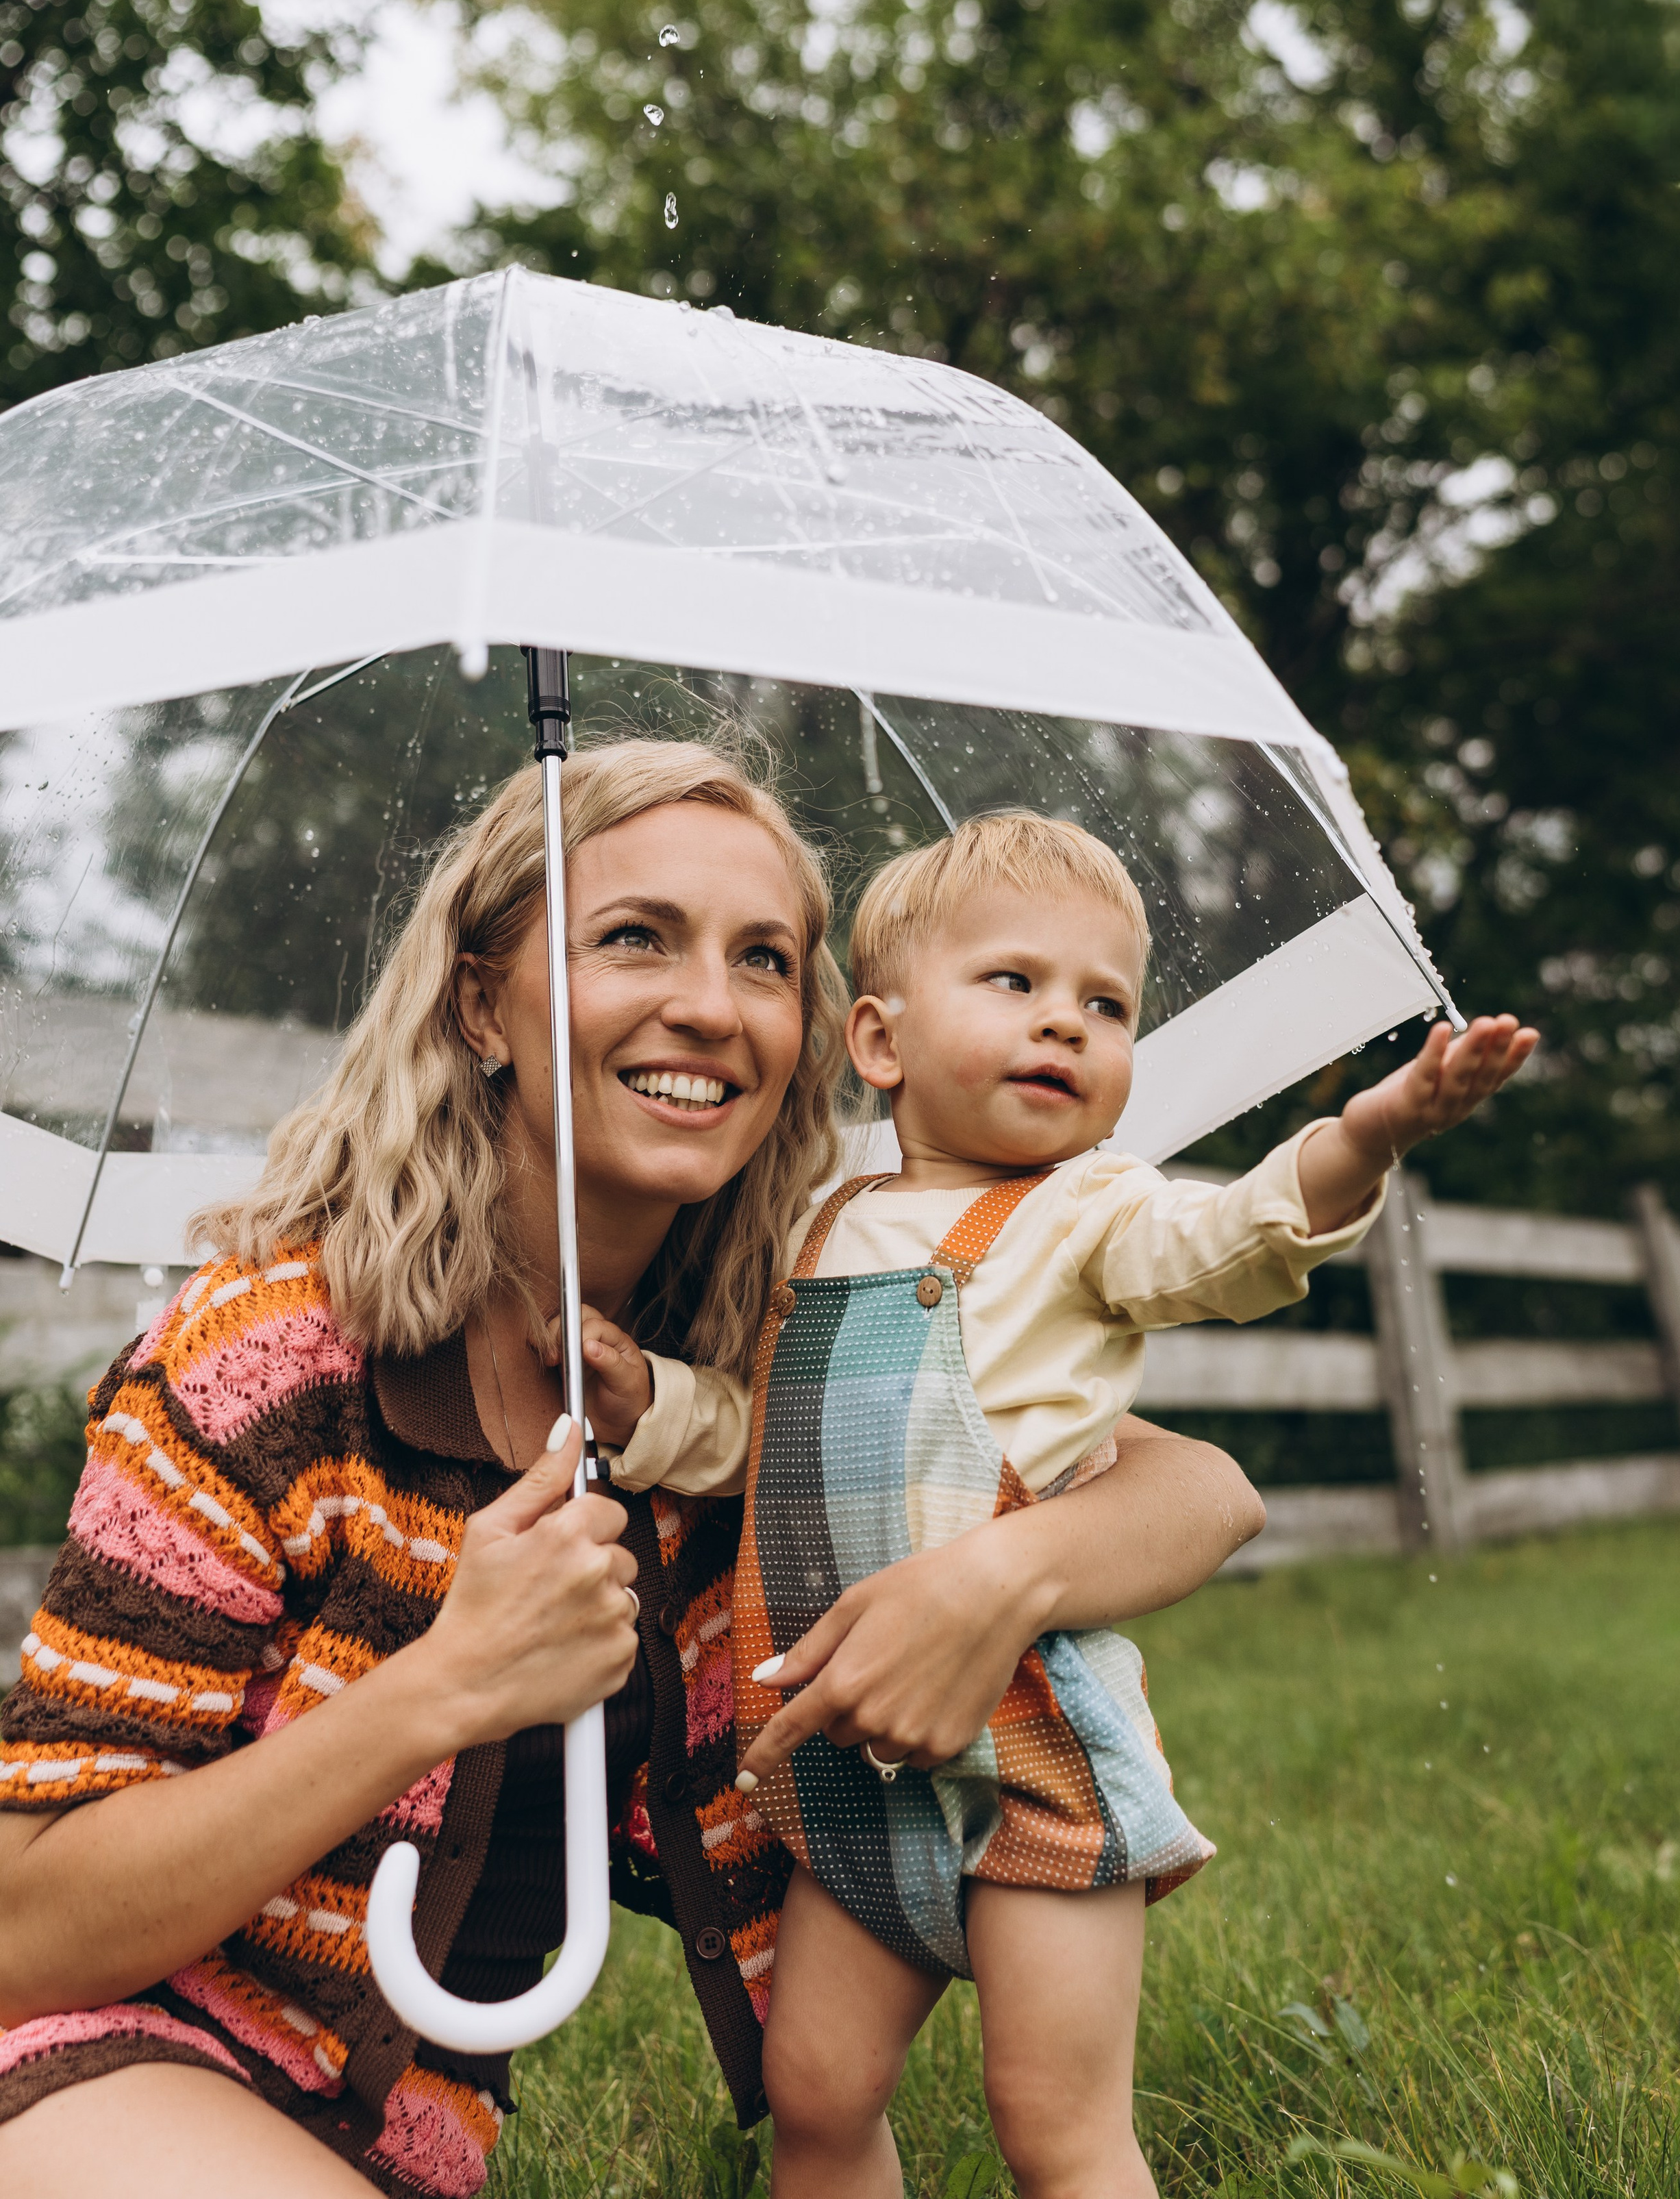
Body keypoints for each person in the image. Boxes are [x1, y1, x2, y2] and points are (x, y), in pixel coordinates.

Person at [0, 744, 1266, 2199]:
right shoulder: (268, 1362)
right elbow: (24, 1935)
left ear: (819, 1027)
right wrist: (447, 1683)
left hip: (400, 2139)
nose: (708, 1008)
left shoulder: (748, 1364)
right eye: (632, 939)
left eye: (763, 960)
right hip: (97, 2067)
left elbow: (1195, 1489)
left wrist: (997, 1575)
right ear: (483, 1001)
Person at [580, 812, 1539, 2199]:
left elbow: (1233, 1241)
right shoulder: (820, 1224)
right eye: (1014, 984)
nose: (1065, 1027)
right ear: (879, 1042)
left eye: (1104, 1005)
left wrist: (1364, 1136)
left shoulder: (1090, 1215)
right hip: (846, 1749)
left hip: (1028, 1752)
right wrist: (647, 1408)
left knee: (1052, 2119)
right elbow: (762, 1436)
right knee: (813, 2088)